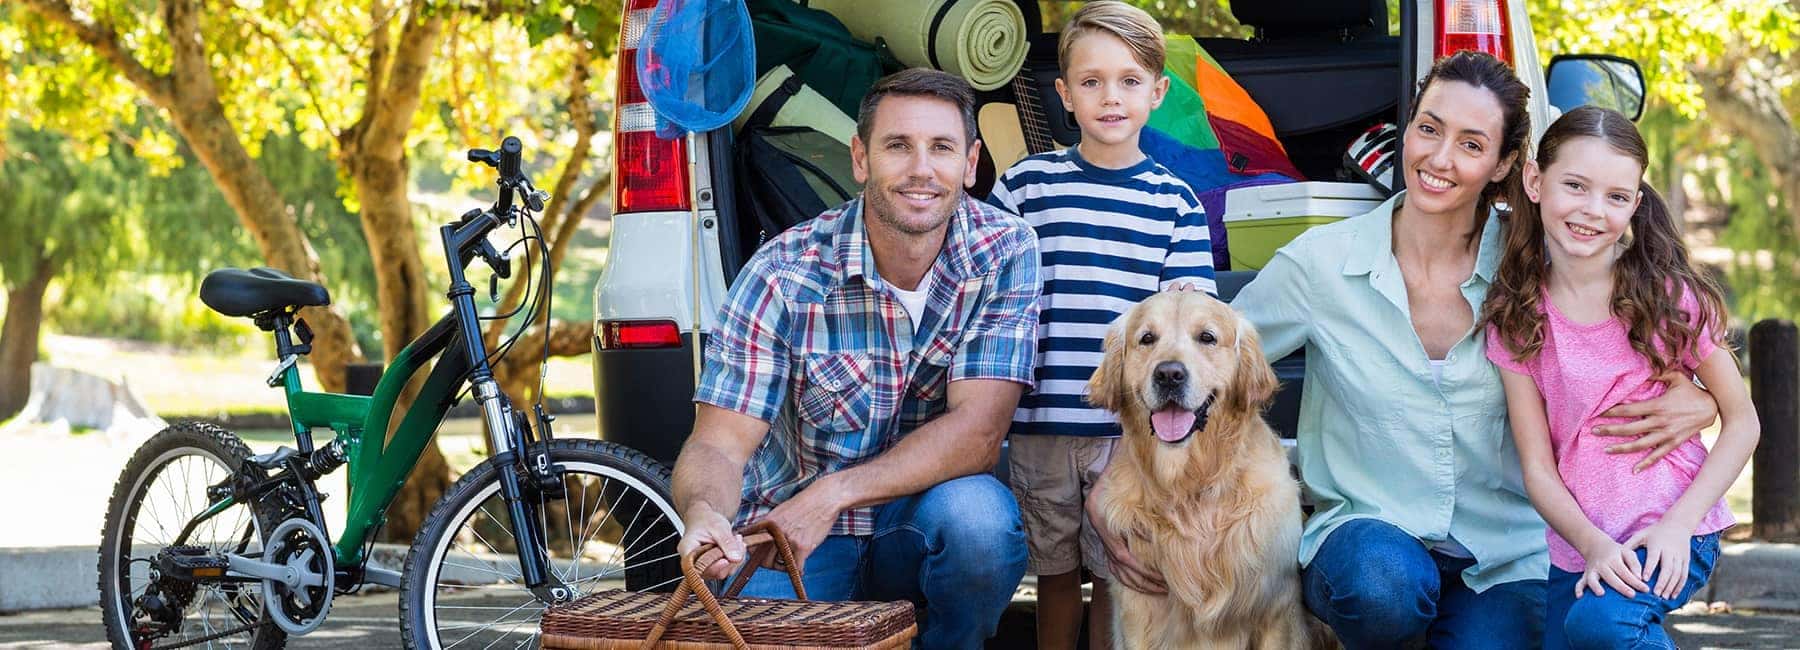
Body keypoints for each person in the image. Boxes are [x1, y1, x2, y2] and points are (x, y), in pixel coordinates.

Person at [1088, 51, 1722, 649]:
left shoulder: (1535, 265)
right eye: (1428, 129)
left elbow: (1643, 319)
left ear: (1505, 167)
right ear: (1406, 130)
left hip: (1503, 555)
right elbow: (1200, 362)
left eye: (1471, 145)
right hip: (1371, 542)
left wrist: (1702, 399)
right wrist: (1114, 479)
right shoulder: (1322, 265)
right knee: (1380, 588)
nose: (1439, 158)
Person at [670, 68, 1039, 649]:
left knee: (981, 524)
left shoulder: (1006, 250)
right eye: (898, 146)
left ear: (970, 164)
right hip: (789, 532)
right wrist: (704, 511)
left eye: (941, 147)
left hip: (912, 521)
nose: (922, 169)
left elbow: (977, 434)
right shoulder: (783, 272)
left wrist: (832, 494)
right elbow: (718, 442)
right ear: (861, 159)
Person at [1482, 106, 1759, 650]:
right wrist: (1592, 546)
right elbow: (1538, 467)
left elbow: (1742, 420)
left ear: (1635, 204)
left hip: (1672, 526)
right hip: (1579, 545)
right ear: (1535, 182)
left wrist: (1681, 525)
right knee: (1579, 633)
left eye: (1614, 196)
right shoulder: (1517, 317)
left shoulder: (1667, 298)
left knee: (1602, 626)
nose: (1592, 210)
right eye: (1575, 186)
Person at [986, 2, 1216, 648]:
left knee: (1124, 571)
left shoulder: (1175, 203)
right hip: (1041, 425)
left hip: (1129, 434)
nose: (1110, 98)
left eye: (1129, 81)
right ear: (1063, 94)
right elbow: (992, 298)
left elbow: (1185, 330)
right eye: (1090, 82)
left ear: (1157, 92)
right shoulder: (1025, 187)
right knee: (1054, 575)